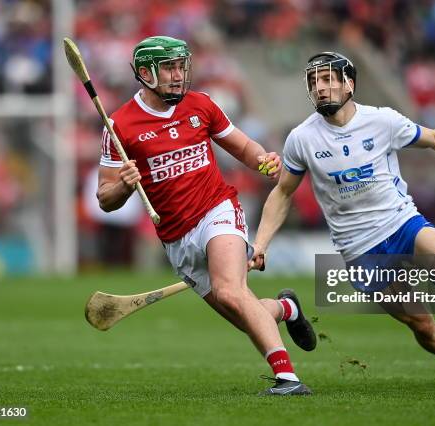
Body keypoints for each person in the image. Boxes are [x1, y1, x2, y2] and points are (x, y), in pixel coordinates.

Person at [249, 52, 435, 383]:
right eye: (314, 82)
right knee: (423, 325)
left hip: (401, 223)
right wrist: (261, 243)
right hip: (360, 249)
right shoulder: (302, 138)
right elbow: (283, 193)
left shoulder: (382, 120)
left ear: (349, 84)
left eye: (328, 79)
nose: (320, 88)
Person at [96, 36, 316, 395]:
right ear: (144, 72)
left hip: (218, 209)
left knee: (231, 292)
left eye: (181, 66)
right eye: (169, 67)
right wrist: (123, 184)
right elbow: (105, 198)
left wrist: (263, 161)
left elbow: (243, 146)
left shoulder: (201, 105)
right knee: (245, 314)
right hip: (175, 238)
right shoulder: (119, 126)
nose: (178, 74)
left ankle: (287, 379)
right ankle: (286, 308)